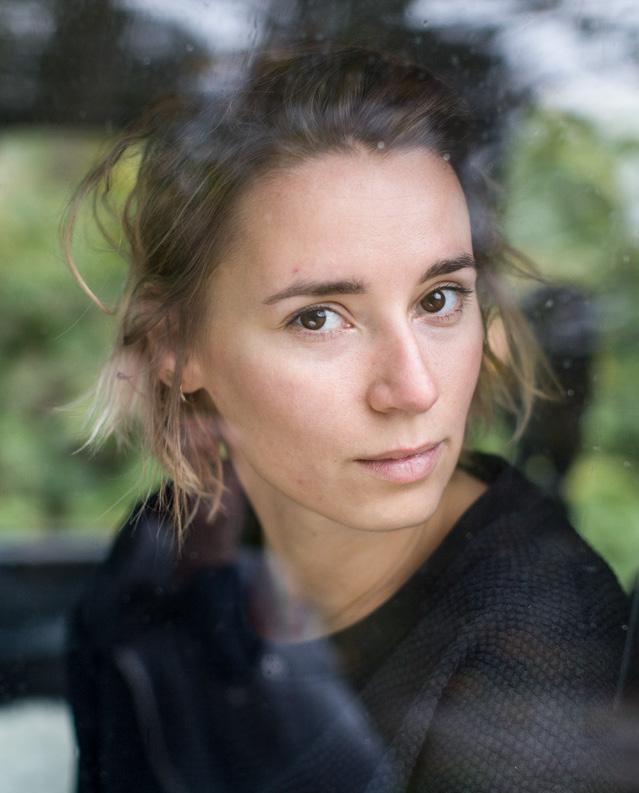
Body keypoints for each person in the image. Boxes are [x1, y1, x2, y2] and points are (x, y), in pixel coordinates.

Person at [64, 46, 630, 793]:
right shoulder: (163, 552)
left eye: (438, 300)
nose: (414, 388)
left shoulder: (545, 634)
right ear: (174, 346)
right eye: (318, 318)